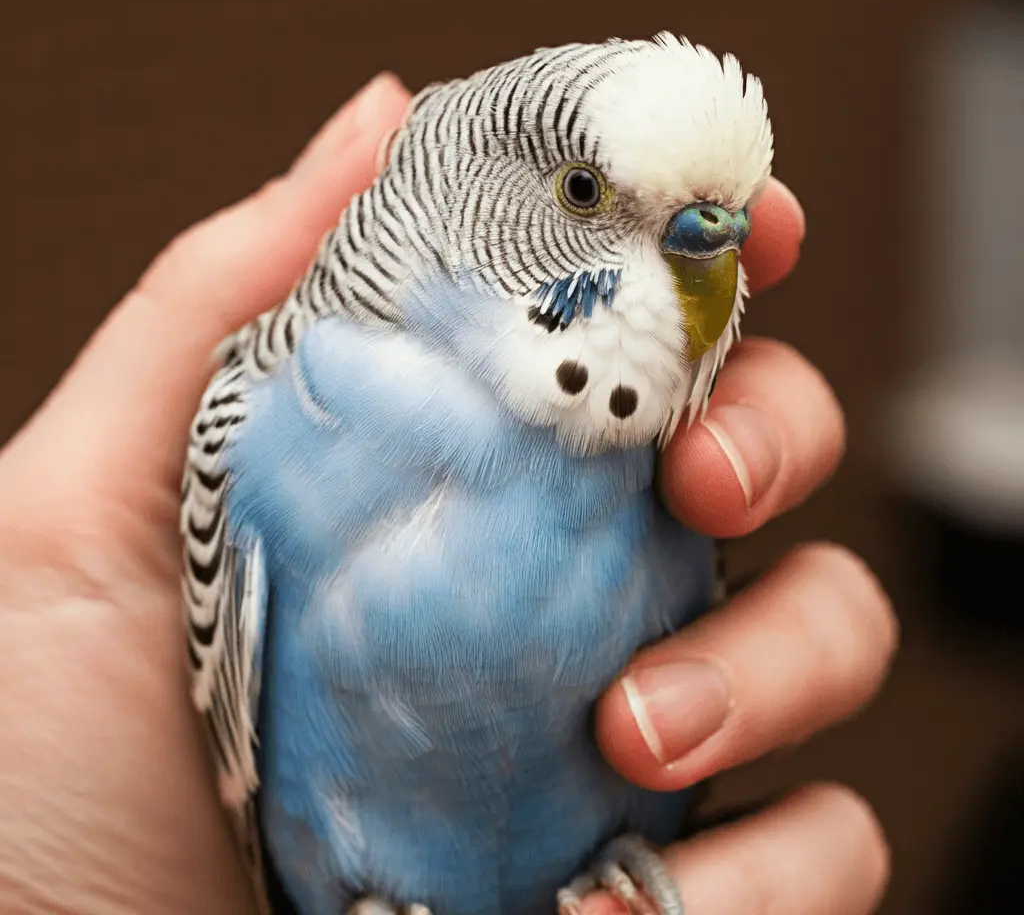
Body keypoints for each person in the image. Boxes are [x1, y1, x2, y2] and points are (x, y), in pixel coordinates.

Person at [0, 73, 897, 915]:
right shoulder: (252, 423)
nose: (703, 262)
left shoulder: (672, 456)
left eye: (715, 234)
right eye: (582, 195)